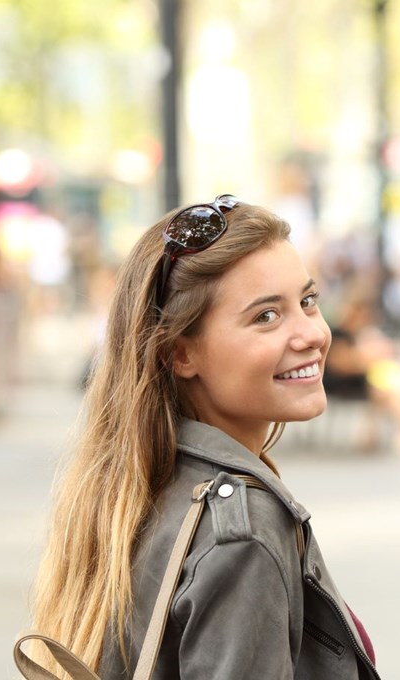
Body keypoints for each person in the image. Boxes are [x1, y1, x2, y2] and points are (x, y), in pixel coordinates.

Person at [29, 196, 380, 679]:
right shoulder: (241, 534)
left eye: (307, 301)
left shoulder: (136, 485)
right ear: (180, 354)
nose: (311, 334)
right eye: (266, 317)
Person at [323, 293, 400, 455]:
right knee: (394, 388)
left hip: (368, 377)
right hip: (347, 382)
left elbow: (383, 352)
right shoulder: (337, 334)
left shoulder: (364, 333)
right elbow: (341, 364)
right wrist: (367, 359)